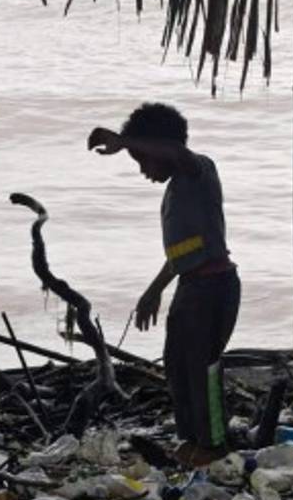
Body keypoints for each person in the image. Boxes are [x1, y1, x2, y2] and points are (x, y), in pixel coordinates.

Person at [88, 103, 241, 467]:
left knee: (203, 368)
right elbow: (182, 253)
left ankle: (214, 445)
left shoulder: (199, 170)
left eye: (143, 159)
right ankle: (192, 439)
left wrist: (124, 140)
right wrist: (154, 290)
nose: (142, 170)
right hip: (190, 287)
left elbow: (175, 152)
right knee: (177, 365)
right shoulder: (174, 193)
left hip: (213, 286)